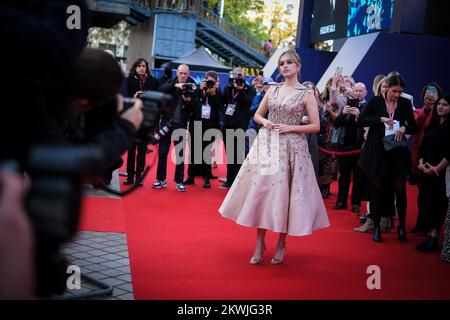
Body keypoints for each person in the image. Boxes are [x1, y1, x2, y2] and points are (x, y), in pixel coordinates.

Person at [219, 49, 330, 265]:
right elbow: (258, 114)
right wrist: (265, 122)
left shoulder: (306, 93)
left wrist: (290, 127)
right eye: (281, 63)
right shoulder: (273, 90)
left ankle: (281, 242)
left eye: (289, 62)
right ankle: (260, 243)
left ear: (298, 66)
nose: (285, 66)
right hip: (268, 145)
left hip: (293, 147)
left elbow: (316, 126)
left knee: (284, 195)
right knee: (262, 193)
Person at [357, 74, 417, 243]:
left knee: (400, 190)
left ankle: (402, 227)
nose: (397, 95)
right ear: (386, 88)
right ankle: (376, 227)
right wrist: (380, 119)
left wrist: (404, 127)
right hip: (377, 152)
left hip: (397, 153)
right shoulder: (376, 102)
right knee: (376, 189)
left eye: (400, 92)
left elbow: (414, 125)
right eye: (394, 91)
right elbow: (361, 120)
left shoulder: (405, 103)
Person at [153, 64, 199, 192]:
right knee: (162, 153)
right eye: (181, 73)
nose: (183, 76)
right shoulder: (171, 82)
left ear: (189, 74)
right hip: (167, 123)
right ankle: (160, 179)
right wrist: (175, 86)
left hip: (181, 124)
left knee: (180, 155)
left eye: (185, 73)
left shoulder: (193, 85)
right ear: (177, 73)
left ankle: (179, 181)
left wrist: (189, 100)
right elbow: (160, 89)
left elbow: (196, 107)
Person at [415, 94, 450, 252]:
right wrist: (421, 165)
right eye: (440, 104)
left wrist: (436, 169)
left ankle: (434, 237)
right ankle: (429, 235)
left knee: (437, 204)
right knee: (426, 202)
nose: (441, 107)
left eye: (445, 105)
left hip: (440, 173)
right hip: (426, 170)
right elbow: (423, 146)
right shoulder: (433, 123)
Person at [123, 58, 159, 186]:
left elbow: (157, 99)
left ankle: (139, 177)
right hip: (132, 119)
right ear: (135, 67)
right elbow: (124, 99)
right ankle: (129, 176)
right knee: (131, 150)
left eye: (144, 66)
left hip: (146, 120)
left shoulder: (153, 81)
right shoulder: (128, 81)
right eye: (139, 66)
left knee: (142, 151)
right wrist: (134, 97)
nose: (142, 68)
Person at [184, 71, 222, 188]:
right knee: (194, 151)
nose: (210, 84)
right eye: (208, 81)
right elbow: (193, 106)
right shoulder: (197, 91)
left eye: (212, 82)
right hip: (196, 124)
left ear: (215, 83)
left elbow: (220, 108)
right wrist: (201, 91)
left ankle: (206, 178)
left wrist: (214, 94)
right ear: (204, 81)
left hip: (210, 125)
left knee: (206, 152)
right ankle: (190, 176)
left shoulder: (218, 93)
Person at [220, 68, 254, 188]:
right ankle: (229, 180)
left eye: (240, 76)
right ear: (232, 77)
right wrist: (231, 87)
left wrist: (241, 91)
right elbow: (223, 100)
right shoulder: (228, 88)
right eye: (236, 76)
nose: (239, 78)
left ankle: (238, 182)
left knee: (239, 155)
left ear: (244, 76)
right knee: (230, 155)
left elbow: (248, 103)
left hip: (241, 126)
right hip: (228, 125)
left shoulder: (249, 89)